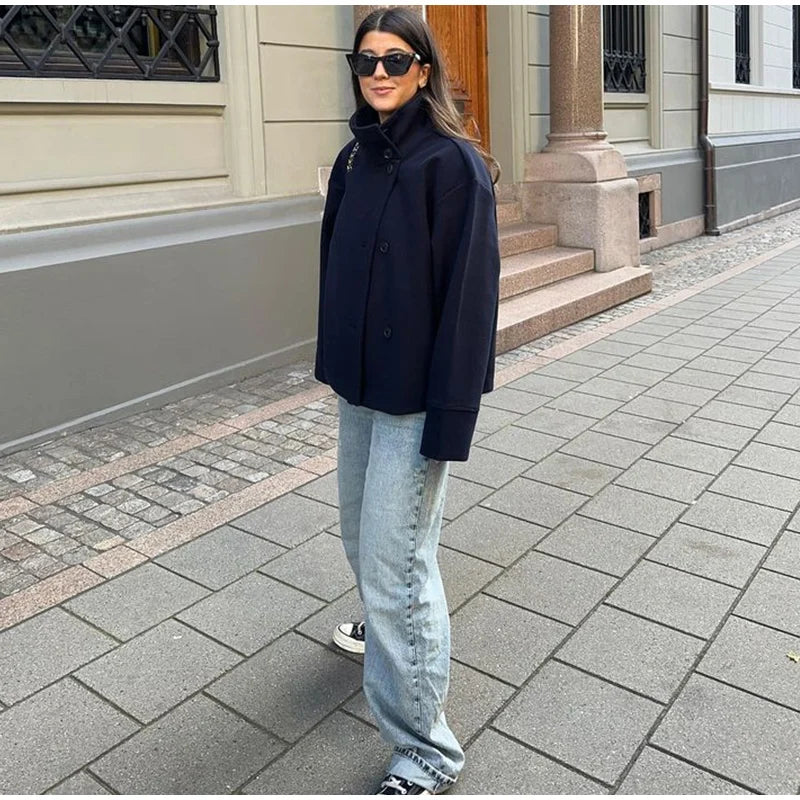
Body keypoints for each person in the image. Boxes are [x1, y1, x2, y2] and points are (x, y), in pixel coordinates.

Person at [314, 7, 501, 795]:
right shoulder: (353, 158)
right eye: (367, 61)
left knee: (399, 564)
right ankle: (386, 630)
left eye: (396, 60)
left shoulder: (453, 165)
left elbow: (470, 303)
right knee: (362, 538)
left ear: (424, 71)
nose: (380, 73)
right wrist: (334, 363)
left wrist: (451, 420)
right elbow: (334, 266)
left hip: (416, 402)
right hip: (361, 389)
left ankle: (426, 751)